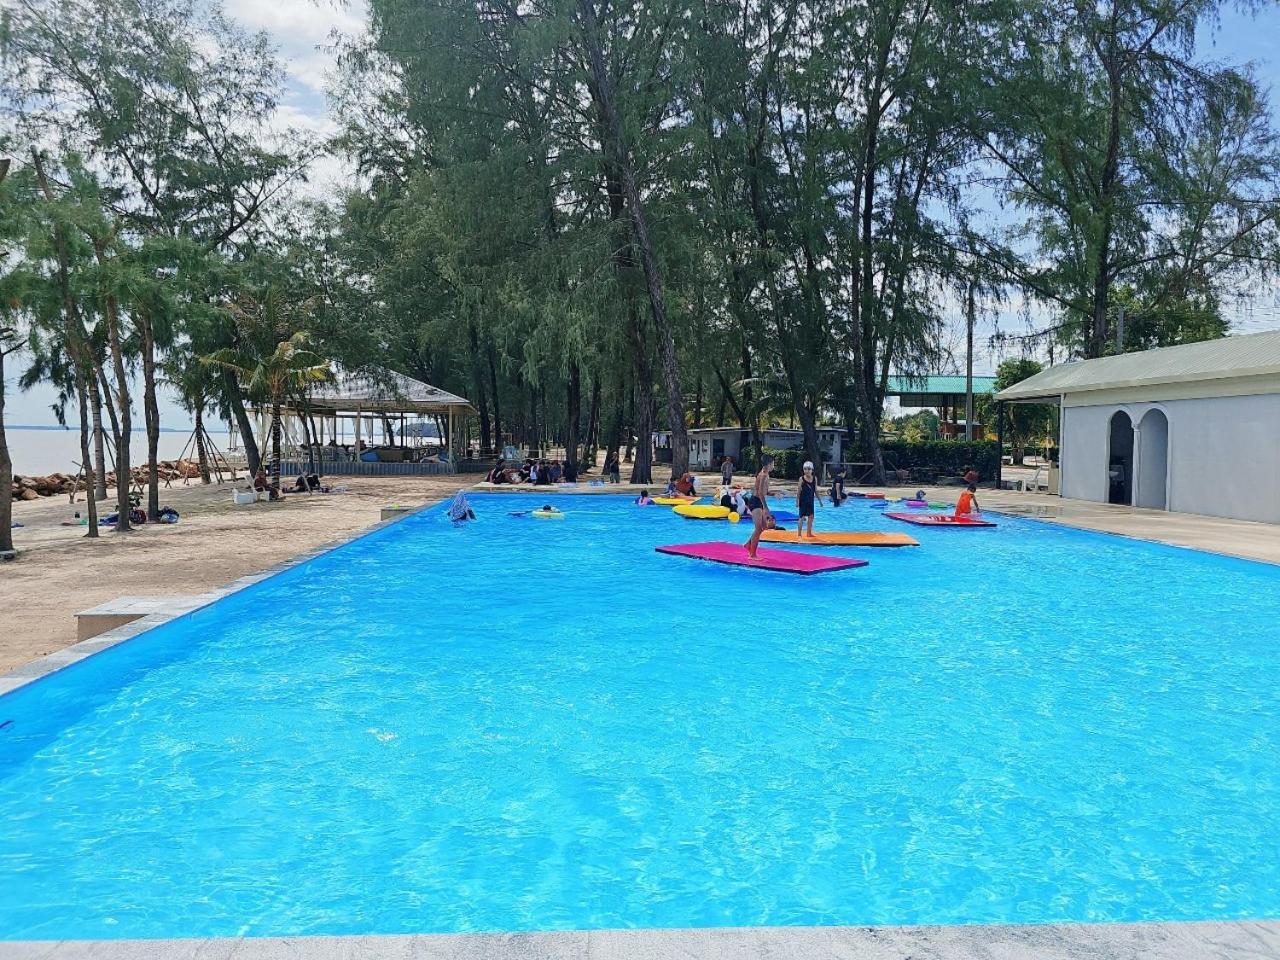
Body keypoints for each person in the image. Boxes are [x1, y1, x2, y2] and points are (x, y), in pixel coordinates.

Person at [744, 454, 774, 559]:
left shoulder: (766, 474)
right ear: (769, 464)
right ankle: (752, 554)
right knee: (758, 528)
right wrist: (766, 508)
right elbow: (760, 493)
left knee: (764, 526)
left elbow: (764, 491)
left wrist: (774, 494)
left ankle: (748, 544)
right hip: (755, 502)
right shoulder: (763, 475)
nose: (773, 466)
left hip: (758, 501)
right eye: (773, 464)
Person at [796, 460, 823, 538]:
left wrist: (820, 501)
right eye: (805, 469)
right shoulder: (801, 479)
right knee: (801, 517)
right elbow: (798, 491)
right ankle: (799, 534)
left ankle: (809, 533)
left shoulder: (814, 478)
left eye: (808, 469)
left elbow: (815, 490)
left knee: (811, 516)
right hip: (803, 501)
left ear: (812, 470)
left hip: (810, 501)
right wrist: (797, 501)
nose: (807, 471)